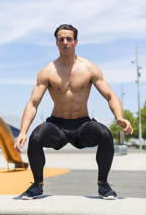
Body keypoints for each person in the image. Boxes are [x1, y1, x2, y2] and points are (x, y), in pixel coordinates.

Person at [14, 24, 133, 200]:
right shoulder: (48, 71)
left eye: (69, 39)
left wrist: (119, 117)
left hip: (82, 124)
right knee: (36, 137)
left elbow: (110, 95)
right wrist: (23, 131)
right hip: (57, 124)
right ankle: (37, 185)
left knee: (105, 134)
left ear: (76, 42)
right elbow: (33, 103)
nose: (65, 42)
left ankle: (103, 185)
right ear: (56, 42)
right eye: (61, 39)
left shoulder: (89, 68)